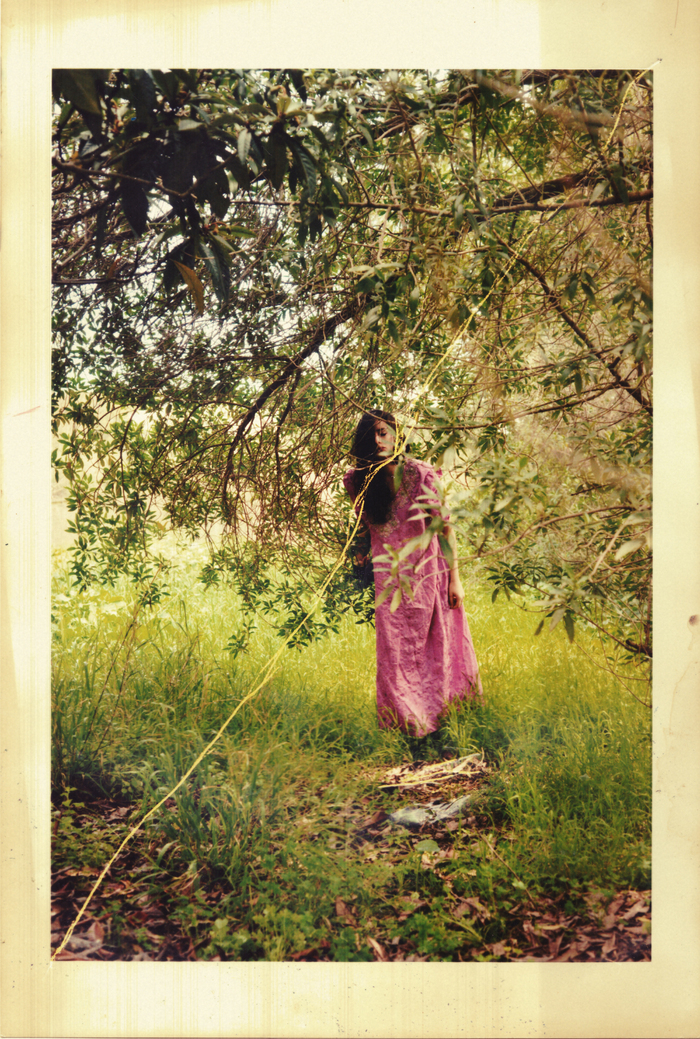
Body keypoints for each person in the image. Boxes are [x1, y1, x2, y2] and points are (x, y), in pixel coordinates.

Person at [343, 409, 482, 743]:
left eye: (385, 432)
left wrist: (455, 580)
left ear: (397, 435)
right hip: (390, 581)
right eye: (373, 434)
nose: (380, 440)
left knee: (439, 649)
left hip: (429, 574)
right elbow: (364, 525)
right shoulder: (357, 480)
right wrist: (358, 553)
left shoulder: (420, 474)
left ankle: (443, 722)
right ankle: (406, 728)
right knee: (395, 654)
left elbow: (445, 529)